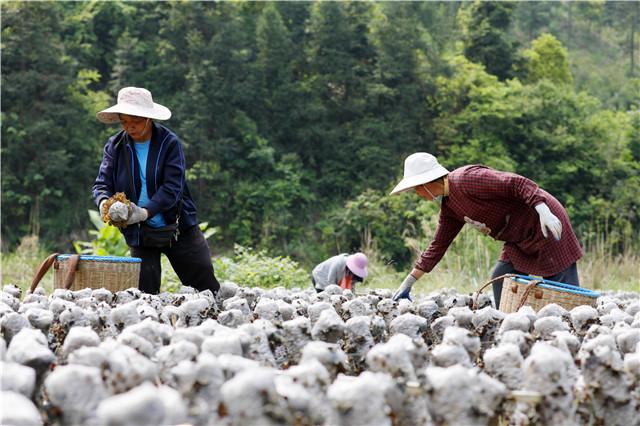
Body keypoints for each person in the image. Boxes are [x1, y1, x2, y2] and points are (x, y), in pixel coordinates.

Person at [389, 152, 582, 306]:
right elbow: (438, 246)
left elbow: (516, 183)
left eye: (416, 188)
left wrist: (542, 209)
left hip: (544, 221)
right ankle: (512, 324)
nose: (416, 193)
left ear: (426, 182)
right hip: (517, 238)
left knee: (561, 290)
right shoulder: (450, 208)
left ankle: (575, 325)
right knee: (502, 278)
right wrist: (410, 281)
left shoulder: (467, 179)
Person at [92, 87, 220, 295]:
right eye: (125, 122)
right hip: (140, 233)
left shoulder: (169, 143)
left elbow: (172, 187)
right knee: (145, 295)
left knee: (205, 287)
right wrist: (105, 204)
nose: (130, 128)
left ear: (148, 119)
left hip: (178, 226)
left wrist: (143, 212)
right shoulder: (115, 146)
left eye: (135, 122)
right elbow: (101, 184)